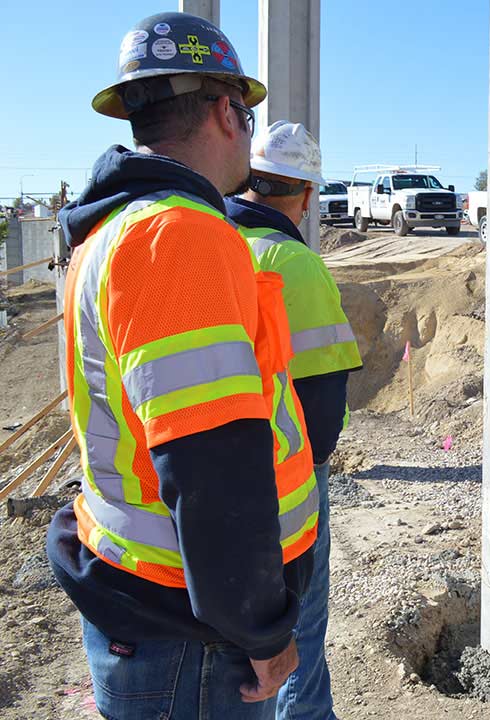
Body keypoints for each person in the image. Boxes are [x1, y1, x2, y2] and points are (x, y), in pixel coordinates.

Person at [48, 12, 319, 720]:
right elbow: (209, 462)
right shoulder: (179, 235)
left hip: (152, 597)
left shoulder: (113, 228)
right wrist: (257, 626)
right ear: (228, 113)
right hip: (191, 627)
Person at [225, 120, 363, 720]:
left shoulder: (210, 243)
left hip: (210, 468)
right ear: (306, 195)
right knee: (299, 621)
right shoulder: (294, 262)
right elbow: (322, 402)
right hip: (287, 477)